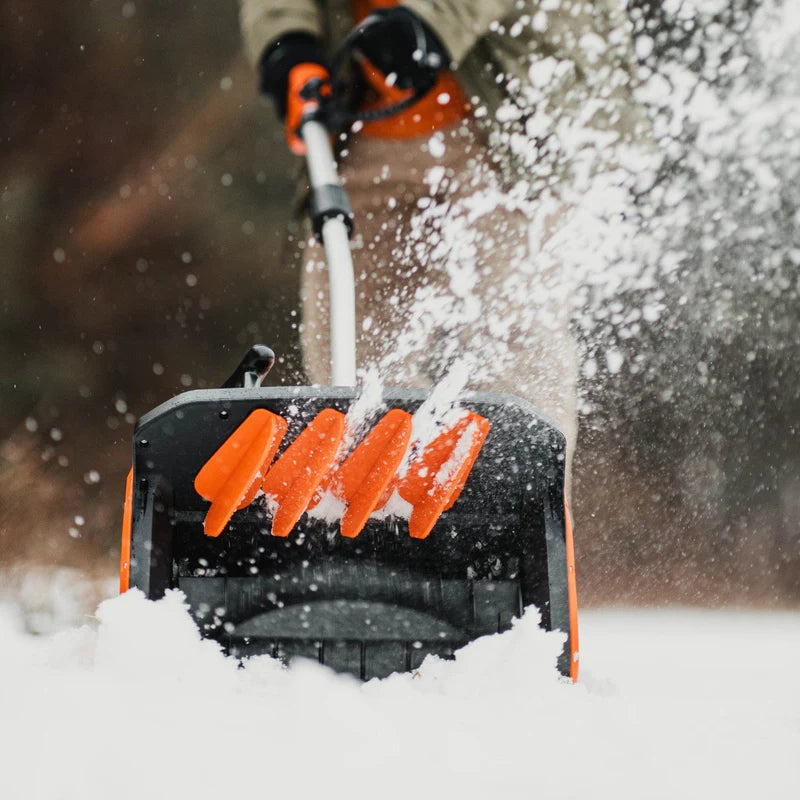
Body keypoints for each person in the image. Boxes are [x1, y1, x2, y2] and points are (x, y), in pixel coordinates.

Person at [238, 0, 644, 488]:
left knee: (511, 347)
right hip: (366, 130)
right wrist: (288, 38)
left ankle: (517, 519)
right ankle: (375, 526)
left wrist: (437, 15)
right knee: (351, 362)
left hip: (510, 116)